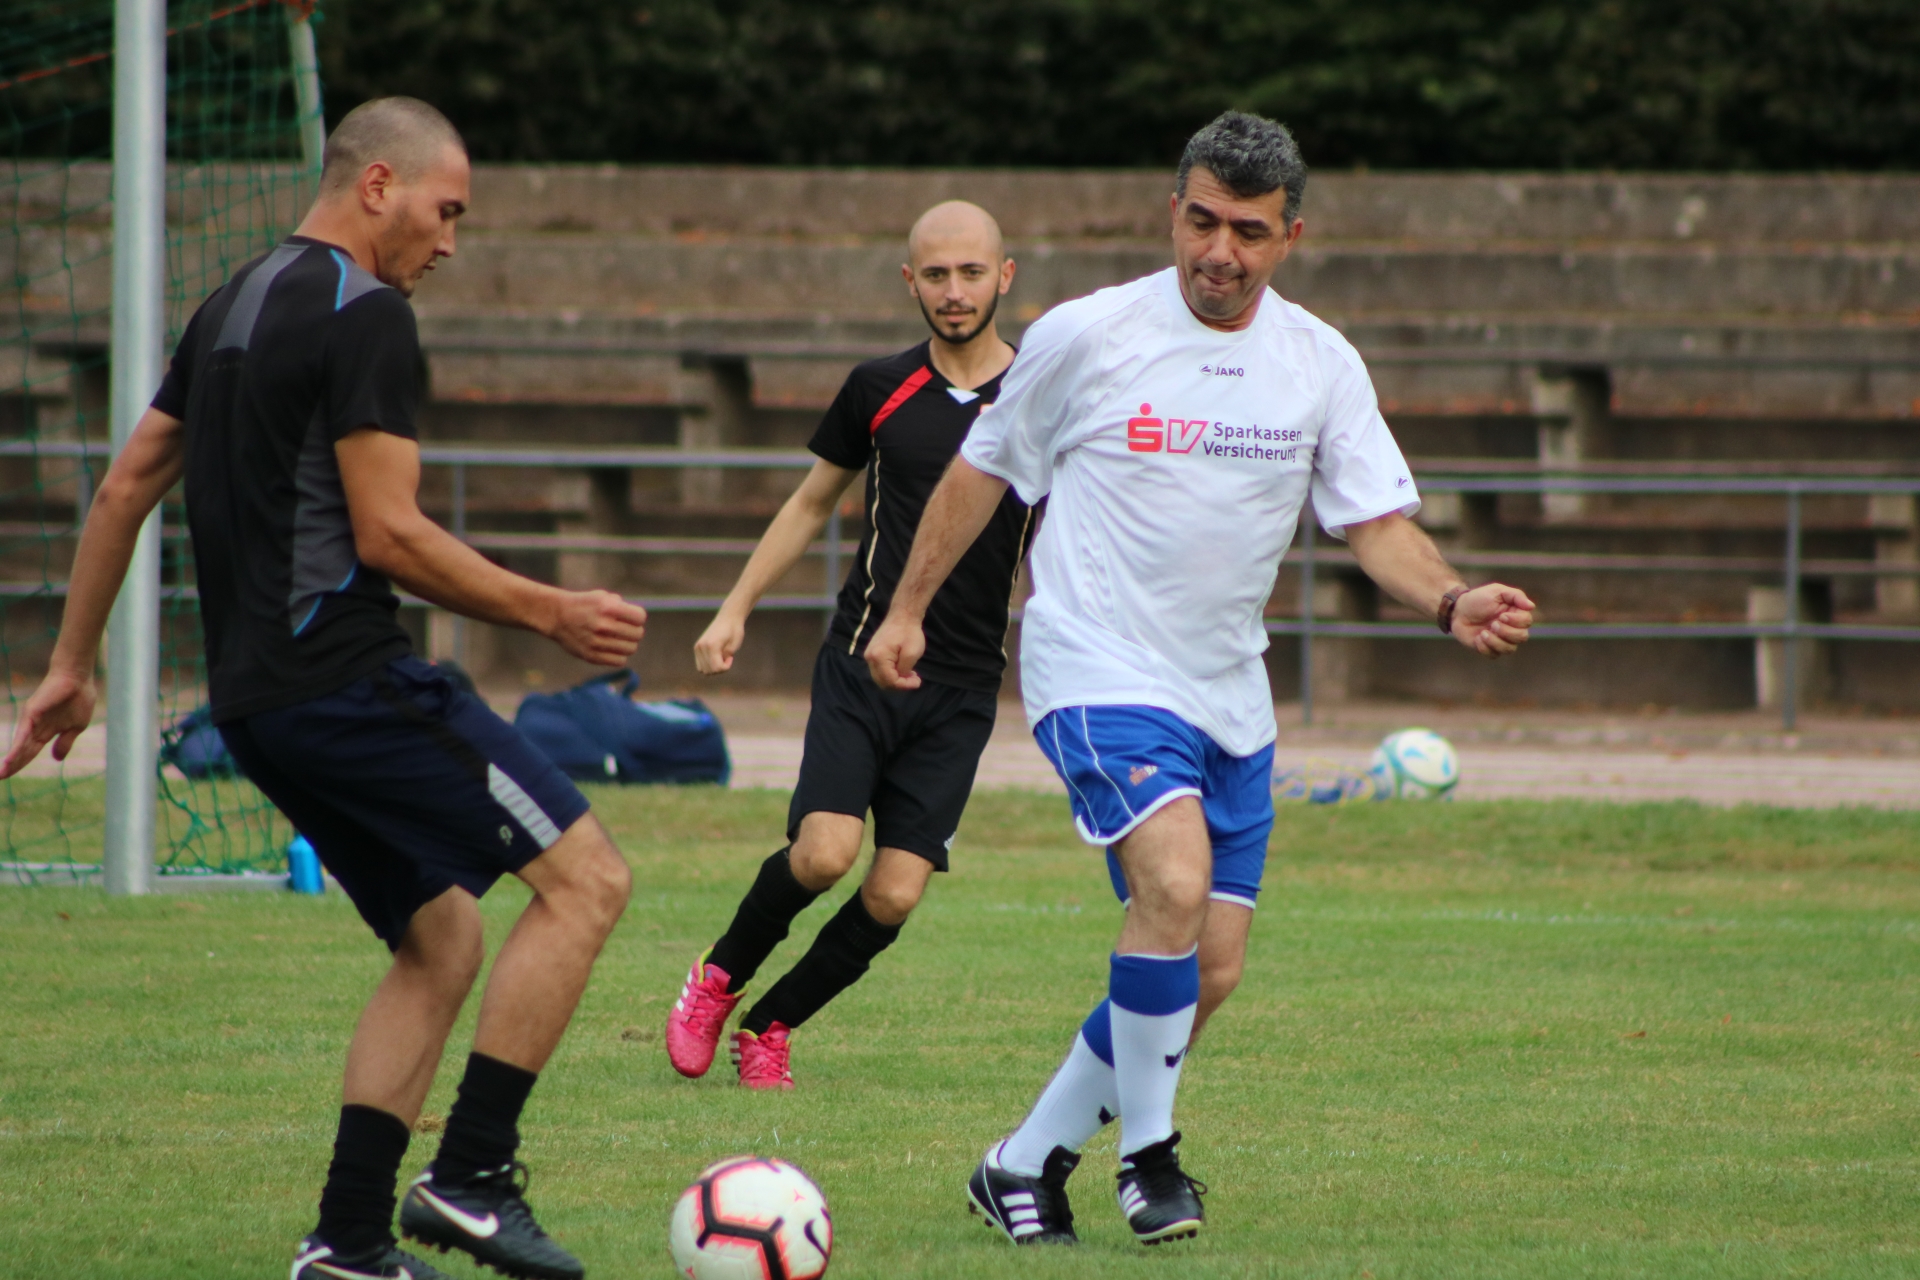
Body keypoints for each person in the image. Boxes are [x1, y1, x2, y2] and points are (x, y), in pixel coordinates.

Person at [864, 111, 1536, 1247]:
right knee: (1171, 886)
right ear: (1174, 211)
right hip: (1096, 665)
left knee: (1207, 968)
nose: (1221, 251)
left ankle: (1021, 1161)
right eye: (1205, 222)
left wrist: (1449, 598)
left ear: (1290, 237)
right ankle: (1151, 1161)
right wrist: (908, 608)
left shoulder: (1319, 361)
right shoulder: (1088, 335)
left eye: (1250, 232)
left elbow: (1376, 522)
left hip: (1229, 689)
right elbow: (983, 471)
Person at [0, 98, 646, 1280]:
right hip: (348, 679)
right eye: (446, 211)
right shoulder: (368, 313)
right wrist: (549, 611)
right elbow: (389, 534)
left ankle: (348, 1240)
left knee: (442, 936)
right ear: (379, 184)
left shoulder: (230, 300)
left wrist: (69, 666)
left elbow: (124, 486)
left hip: (255, 710)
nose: (449, 241)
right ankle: (472, 1176)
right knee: (589, 879)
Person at [665, 201, 1036, 1090]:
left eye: (971, 273)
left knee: (895, 893)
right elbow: (808, 504)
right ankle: (718, 977)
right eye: (936, 275)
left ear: (1005, 276)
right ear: (911, 282)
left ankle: (771, 1026)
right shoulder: (878, 387)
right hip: (862, 665)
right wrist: (734, 609)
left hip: (963, 688)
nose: (955, 292)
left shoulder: (1041, 398)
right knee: (825, 854)